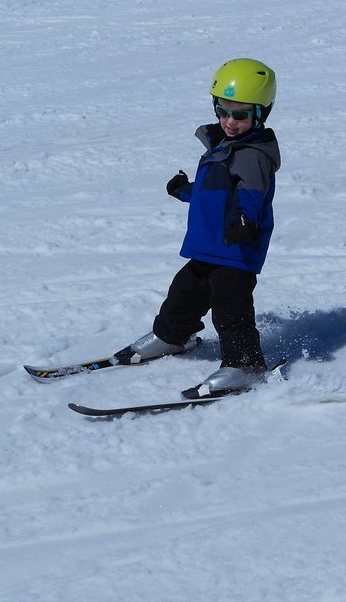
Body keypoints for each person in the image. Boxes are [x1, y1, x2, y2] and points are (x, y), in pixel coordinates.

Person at [114, 58, 281, 397]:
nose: (229, 121)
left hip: (235, 250)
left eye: (240, 115)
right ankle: (171, 336)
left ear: (261, 114)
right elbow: (215, 193)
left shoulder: (252, 155)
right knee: (184, 291)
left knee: (230, 307)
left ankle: (246, 364)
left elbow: (252, 194)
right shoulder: (223, 146)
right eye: (223, 111)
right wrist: (185, 190)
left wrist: (245, 220)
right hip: (210, 246)